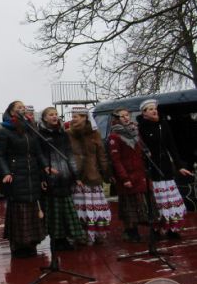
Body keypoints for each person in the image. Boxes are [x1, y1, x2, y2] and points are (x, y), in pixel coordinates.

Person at [0, 100, 46, 257]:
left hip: (32, 173)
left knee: (32, 207)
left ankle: (32, 243)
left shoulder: (31, 128)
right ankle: (18, 244)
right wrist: (6, 172)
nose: (23, 109)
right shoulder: (4, 130)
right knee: (19, 209)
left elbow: (38, 152)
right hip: (16, 174)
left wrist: (45, 167)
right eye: (19, 108)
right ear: (11, 112)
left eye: (24, 107)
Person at [136, 99, 192, 238]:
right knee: (157, 201)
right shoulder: (141, 128)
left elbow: (171, 146)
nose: (154, 111)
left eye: (155, 108)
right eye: (150, 109)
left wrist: (179, 166)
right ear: (144, 113)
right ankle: (157, 229)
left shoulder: (163, 124)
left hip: (165, 167)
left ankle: (172, 228)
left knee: (170, 200)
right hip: (151, 168)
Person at [38, 107, 86, 250]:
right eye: (51, 115)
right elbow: (39, 156)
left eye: (56, 114)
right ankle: (56, 239)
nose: (54, 117)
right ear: (45, 118)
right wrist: (44, 175)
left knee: (66, 211)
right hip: (51, 177)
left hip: (65, 176)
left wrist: (76, 176)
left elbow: (69, 155)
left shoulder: (62, 134)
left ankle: (65, 238)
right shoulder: (40, 134)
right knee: (54, 212)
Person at [67, 108, 111, 244]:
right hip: (76, 178)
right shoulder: (67, 134)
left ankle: (96, 234)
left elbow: (101, 155)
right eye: (73, 116)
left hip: (92, 175)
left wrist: (106, 174)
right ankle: (80, 235)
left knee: (93, 207)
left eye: (77, 116)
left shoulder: (94, 134)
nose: (74, 119)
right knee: (79, 209)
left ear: (85, 117)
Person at [108, 108, 152, 242]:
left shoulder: (135, 132)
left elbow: (143, 151)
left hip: (140, 173)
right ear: (117, 119)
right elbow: (116, 160)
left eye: (127, 115)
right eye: (122, 116)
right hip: (127, 174)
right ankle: (130, 231)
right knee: (129, 205)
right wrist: (124, 177)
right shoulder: (114, 136)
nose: (126, 118)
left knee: (141, 204)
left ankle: (144, 229)